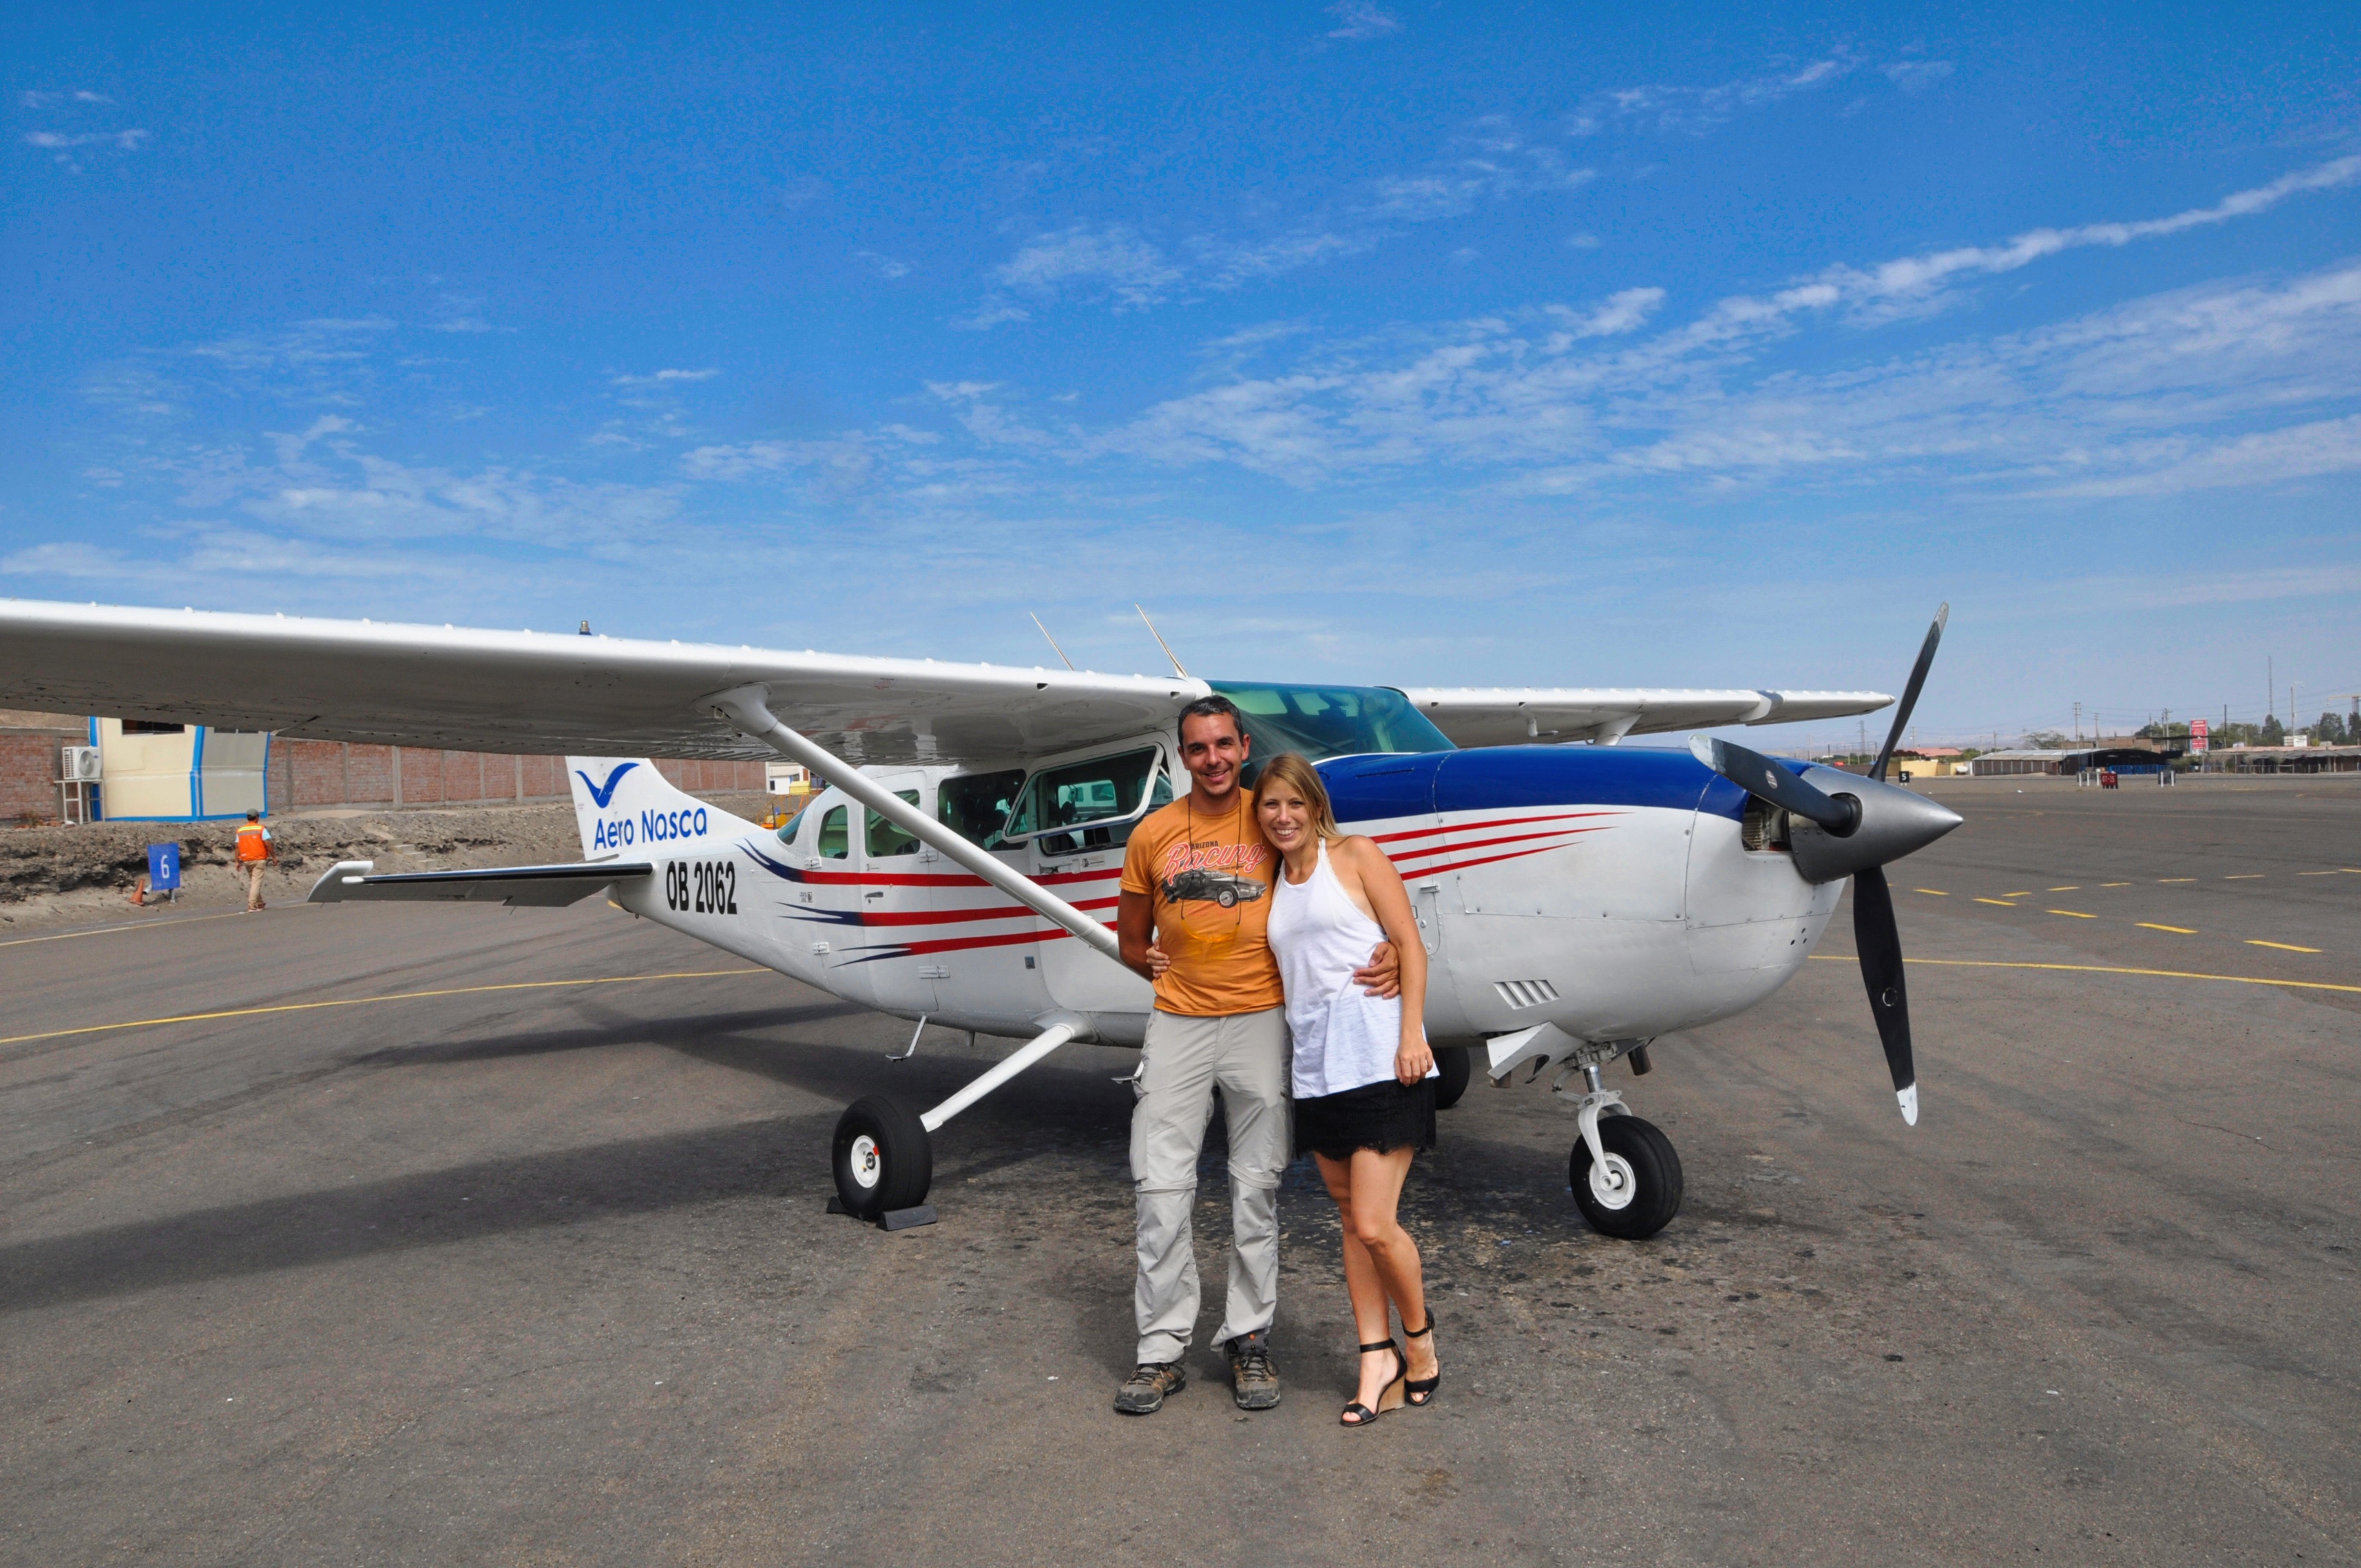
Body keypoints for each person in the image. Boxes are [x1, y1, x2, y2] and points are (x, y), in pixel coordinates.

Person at [1112, 697, 1396, 1417]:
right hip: (1179, 1022)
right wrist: (1163, 974)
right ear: (1184, 757)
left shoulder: (1273, 817)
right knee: (1160, 1186)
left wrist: (1389, 948)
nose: (1212, 759)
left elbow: (1340, 888)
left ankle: (1249, 1339)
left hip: (1260, 1022)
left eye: (1223, 745)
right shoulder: (1153, 835)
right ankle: (1160, 1351)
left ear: (1244, 746)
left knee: (1255, 1187)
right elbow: (1130, 938)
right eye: (1197, 748)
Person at [1255, 752, 1442, 1426]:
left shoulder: (1356, 855)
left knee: (1373, 1222)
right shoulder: (1274, 881)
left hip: (1382, 1060)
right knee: (1348, 1223)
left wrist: (1413, 1034)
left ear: (1316, 806)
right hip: (1317, 1068)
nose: (1283, 817)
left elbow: (1410, 945)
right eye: (1271, 805)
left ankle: (1420, 1346)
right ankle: (1375, 1357)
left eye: (1294, 803)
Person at [234, 809, 273, 911]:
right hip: (259, 859)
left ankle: (260, 903)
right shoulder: (261, 829)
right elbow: (267, 844)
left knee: (254, 881)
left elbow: (237, 847)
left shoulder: (240, 830)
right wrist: (274, 857)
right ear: (257, 817)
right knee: (256, 882)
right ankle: (252, 904)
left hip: (247, 859)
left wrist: (237, 861)